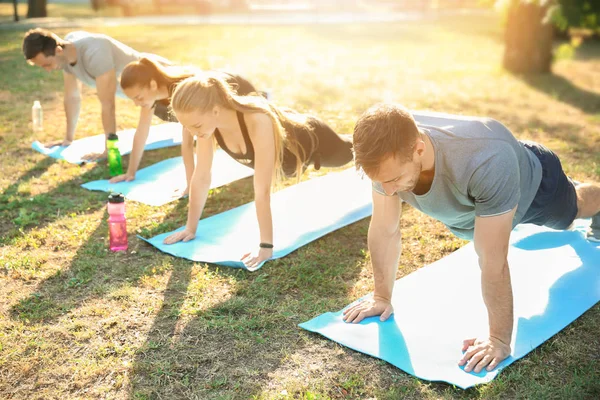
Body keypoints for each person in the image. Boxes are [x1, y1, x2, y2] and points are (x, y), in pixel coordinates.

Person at [342, 103, 600, 373]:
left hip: (535, 188)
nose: (387, 189)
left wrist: (498, 339)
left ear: (418, 148)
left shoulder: (488, 160)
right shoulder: (386, 153)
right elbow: (385, 228)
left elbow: (492, 258)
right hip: (489, 178)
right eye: (379, 180)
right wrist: (381, 296)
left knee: (572, 210)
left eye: (394, 179)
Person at [162, 74, 354, 269]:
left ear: (216, 110)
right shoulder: (207, 126)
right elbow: (202, 176)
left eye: (195, 126)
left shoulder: (256, 120)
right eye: (187, 127)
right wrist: (190, 228)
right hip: (288, 152)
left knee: (354, 153)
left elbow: (262, 190)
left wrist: (265, 246)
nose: (194, 133)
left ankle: (373, 135)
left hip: (314, 141)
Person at [113, 57, 260, 196]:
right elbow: (141, 134)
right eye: (133, 99)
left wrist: (191, 185)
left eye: (138, 97)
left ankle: (265, 98)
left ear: (152, 84)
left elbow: (188, 143)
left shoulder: (182, 91)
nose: (137, 103)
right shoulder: (149, 98)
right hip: (219, 104)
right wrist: (130, 172)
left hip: (239, 91)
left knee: (251, 139)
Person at [22, 29, 168, 161]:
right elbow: (72, 97)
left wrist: (109, 150)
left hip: (164, 82)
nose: (47, 70)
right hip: (147, 97)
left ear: (58, 50)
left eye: (47, 64)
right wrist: (68, 139)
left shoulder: (95, 53)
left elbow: (108, 105)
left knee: (184, 117)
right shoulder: (66, 52)